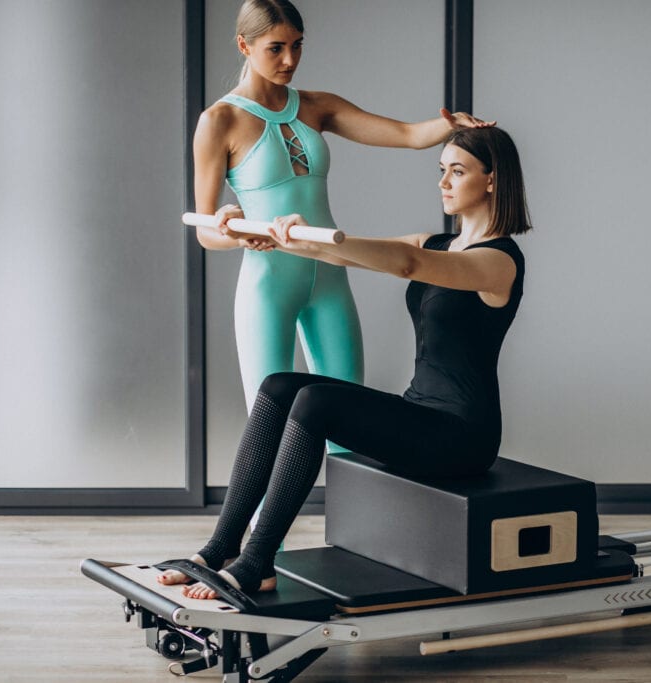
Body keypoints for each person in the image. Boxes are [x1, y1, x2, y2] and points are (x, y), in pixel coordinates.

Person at [159, 126, 531, 597]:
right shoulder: (437, 242)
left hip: (462, 436)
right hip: (420, 412)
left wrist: (301, 239)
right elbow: (341, 250)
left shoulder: (499, 262)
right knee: (277, 386)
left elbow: (403, 263)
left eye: (457, 172)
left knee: (315, 403)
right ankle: (219, 547)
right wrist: (269, 233)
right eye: (442, 170)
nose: (443, 182)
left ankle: (258, 561)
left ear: (493, 180)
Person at [196, 0, 494, 415]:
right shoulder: (219, 121)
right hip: (269, 282)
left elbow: (406, 134)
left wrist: (450, 124)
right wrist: (232, 231)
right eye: (276, 48)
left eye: (298, 45)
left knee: (346, 415)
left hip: (329, 274)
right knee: (268, 421)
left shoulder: (318, 106)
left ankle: (344, 484)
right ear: (244, 46)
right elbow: (205, 228)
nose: (290, 59)